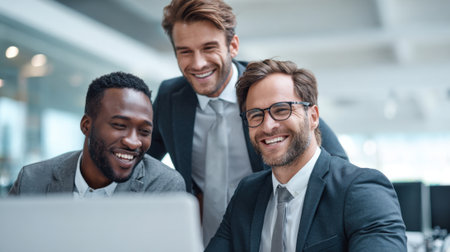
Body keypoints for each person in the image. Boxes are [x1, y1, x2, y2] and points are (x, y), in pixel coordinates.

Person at [149, 0, 348, 244]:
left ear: (232, 46)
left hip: (264, 238)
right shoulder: (170, 97)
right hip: (199, 240)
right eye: (185, 51)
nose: (198, 63)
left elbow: (336, 163)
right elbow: (142, 160)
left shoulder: (265, 90)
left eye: (209, 48)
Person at [205, 59, 407, 251]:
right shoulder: (246, 193)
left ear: (313, 117)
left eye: (282, 110)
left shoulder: (362, 190)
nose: (267, 126)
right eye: (256, 115)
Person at [9, 72, 185, 196]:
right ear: (86, 125)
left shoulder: (164, 187)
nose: (133, 142)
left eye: (144, 131)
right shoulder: (32, 181)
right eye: (119, 125)